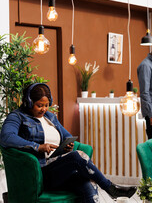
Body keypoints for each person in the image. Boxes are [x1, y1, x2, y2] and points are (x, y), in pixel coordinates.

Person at [0, 83, 136, 203]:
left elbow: (67, 136)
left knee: (87, 183)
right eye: (39, 105)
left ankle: (110, 189)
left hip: (58, 168)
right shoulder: (17, 116)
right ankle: (111, 188)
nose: (44, 109)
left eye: (46, 105)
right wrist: (38, 147)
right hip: (40, 171)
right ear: (29, 102)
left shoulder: (50, 117)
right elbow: (7, 137)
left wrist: (68, 145)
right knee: (78, 156)